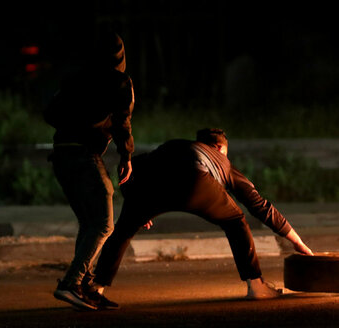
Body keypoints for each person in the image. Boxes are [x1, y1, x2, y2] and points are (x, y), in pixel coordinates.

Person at [87, 128, 313, 309]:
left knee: (124, 230)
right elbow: (260, 205)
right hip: (196, 180)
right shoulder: (219, 158)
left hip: (155, 182)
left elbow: (129, 168)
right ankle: (256, 285)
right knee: (236, 220)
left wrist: (135, 203)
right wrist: (296, 241)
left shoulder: (175, 145)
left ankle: (96, 288)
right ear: (218, 147)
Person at [43, 30, 135, 310]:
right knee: (105, 224)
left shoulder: (75, 78)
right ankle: (71, 283)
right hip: (84, 155)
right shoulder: (119, 81)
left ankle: (83, 286)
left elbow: (49, 113)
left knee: (89, 222)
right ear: (121, 56)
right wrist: (126, 155)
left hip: (62, 155)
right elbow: (122, 120)